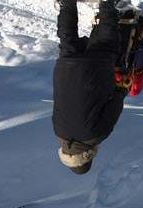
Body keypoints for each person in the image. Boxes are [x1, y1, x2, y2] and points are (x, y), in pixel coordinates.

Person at [53, 0, 127, 175]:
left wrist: (122, 90)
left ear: (87, 156)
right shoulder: (58, 131)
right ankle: (66, 4)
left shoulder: (96, 136)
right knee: (67, 37)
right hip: (65, 68)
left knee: (107, 42)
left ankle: (107, 4)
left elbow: (115, 105)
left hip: (95, 69)